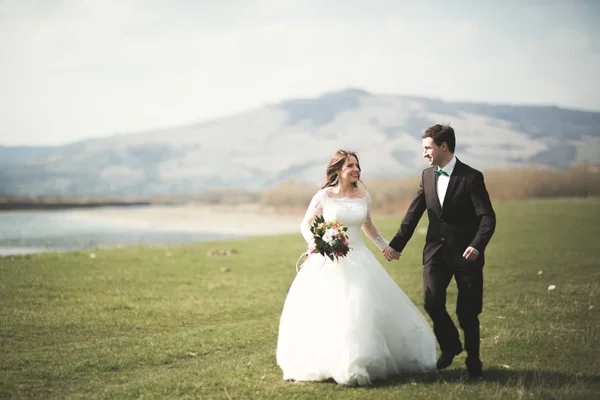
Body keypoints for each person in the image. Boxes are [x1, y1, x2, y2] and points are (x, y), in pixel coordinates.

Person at [276, 150, 436, 386]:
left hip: (359, 258)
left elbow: (367, 225)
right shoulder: (324, 195)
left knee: (360, 306)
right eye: (350, 166)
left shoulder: (363, 195)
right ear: (338, 170)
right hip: (328, 260)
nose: (355, 169)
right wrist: (315, 242)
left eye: (357, 165)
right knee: (330, 310)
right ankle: (329, 360)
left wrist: (385, 247)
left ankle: (359, 359)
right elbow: (306, 223)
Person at [383, 124, 496, 379]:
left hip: (467, 255)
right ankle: (450, 345)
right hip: (435, 253)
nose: (424, 153)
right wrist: (395, 245)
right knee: (431, 302)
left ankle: (474, 365)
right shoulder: (426, 176)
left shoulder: (472, 177)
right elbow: (413, 214)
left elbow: (488, 217)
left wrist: (476, 246)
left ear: (443, 146)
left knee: (467, 313)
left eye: (427, 147)